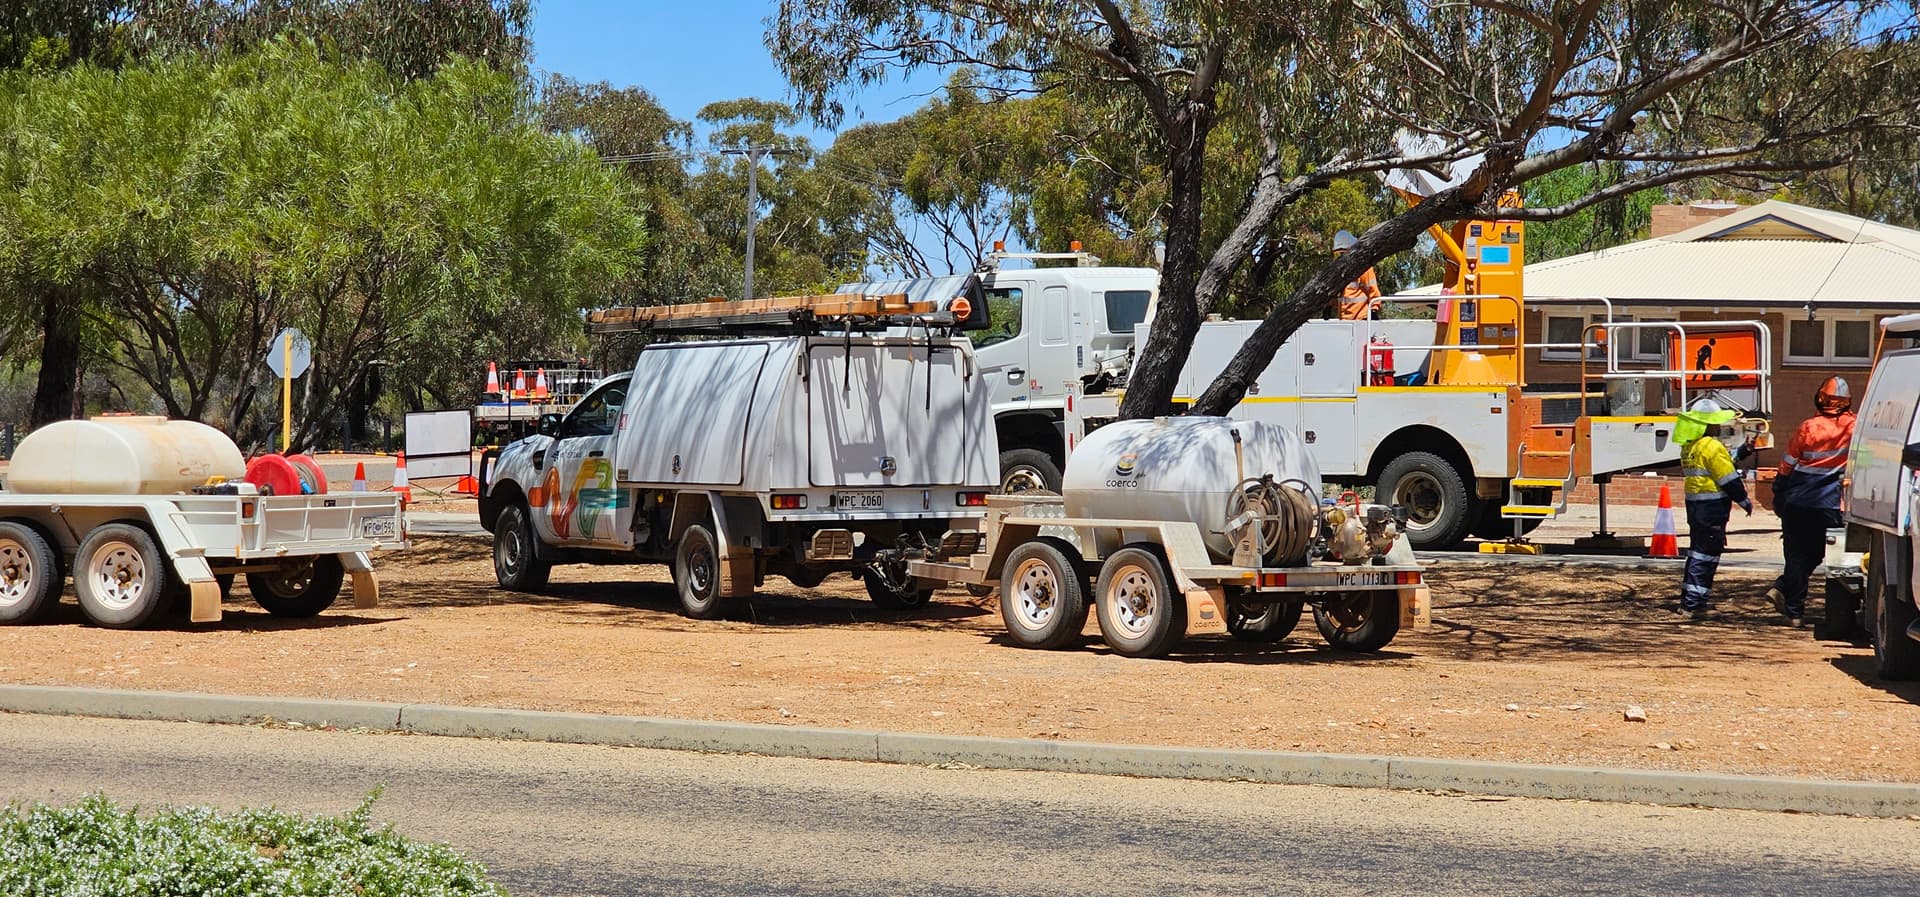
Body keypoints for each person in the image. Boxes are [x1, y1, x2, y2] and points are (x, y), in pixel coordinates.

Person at [1766, 377, 1856, 627]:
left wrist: (1779, 492)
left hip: (1798, 503)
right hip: (1832, 505)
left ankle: (1794, 610)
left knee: (1796, 556)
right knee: (1828, 557)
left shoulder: (1808, 427)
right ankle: (1840, 615)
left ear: (1819, 398)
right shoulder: (1855, 427)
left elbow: (1787, 464)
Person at [1678, 398, 1753, 620]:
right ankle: (1694, 605)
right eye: (1715, 422)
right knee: (1706, 556)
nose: (1719, 426)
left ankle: (1690, 600)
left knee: (1697, 553)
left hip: (1696, 507)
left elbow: (1722, 463)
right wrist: (1744, 500)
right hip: (1712, 509)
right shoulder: (1712, 446)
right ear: (1709, 424)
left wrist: (1742, 452)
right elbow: (1727, 477)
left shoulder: (1690, 447)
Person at [1331, 229, 1381, 320]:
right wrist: (1329, 305)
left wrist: (1374, 309)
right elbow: (1341, 296)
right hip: (1345, 319)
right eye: (1341, 253)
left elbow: (1373, 290)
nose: (1342, 255)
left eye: (1344, 252)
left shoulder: (1364, 267)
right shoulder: (1341, 270)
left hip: (1361, 318)